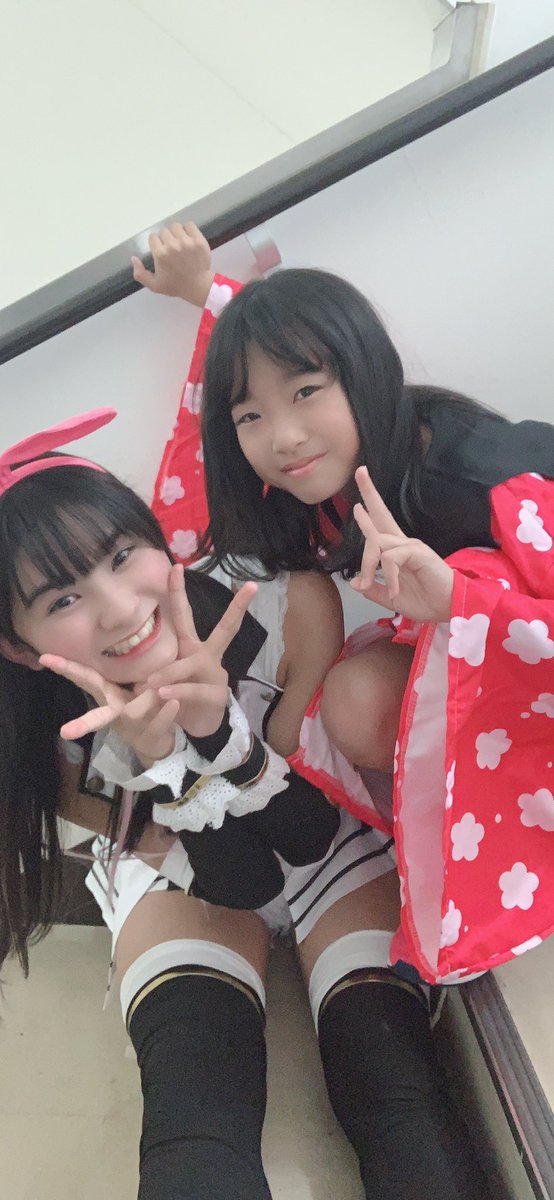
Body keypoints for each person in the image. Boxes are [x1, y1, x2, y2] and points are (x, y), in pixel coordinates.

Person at [0, 407, 489, 1199]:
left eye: (122, 556)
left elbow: (306, 836)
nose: (119, 608)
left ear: (156, 537)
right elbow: (242, 884)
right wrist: (164, 764)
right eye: (62, 600)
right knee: (194, 1110)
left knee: (391, 1081)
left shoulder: (282, 605)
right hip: (184, 871)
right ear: (19, 647)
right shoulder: (51, 742)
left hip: (318, 832)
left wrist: (218, 734)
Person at [134, 222, 554, 986]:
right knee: (351, 704)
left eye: (305, 393)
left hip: (533, 651)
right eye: (251, 417)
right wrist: (207, 294)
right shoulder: (320, 482)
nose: (284, 437)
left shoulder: (474, 479)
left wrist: (463, 601)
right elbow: (198, 495)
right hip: (496, 657)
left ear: (364, 372)